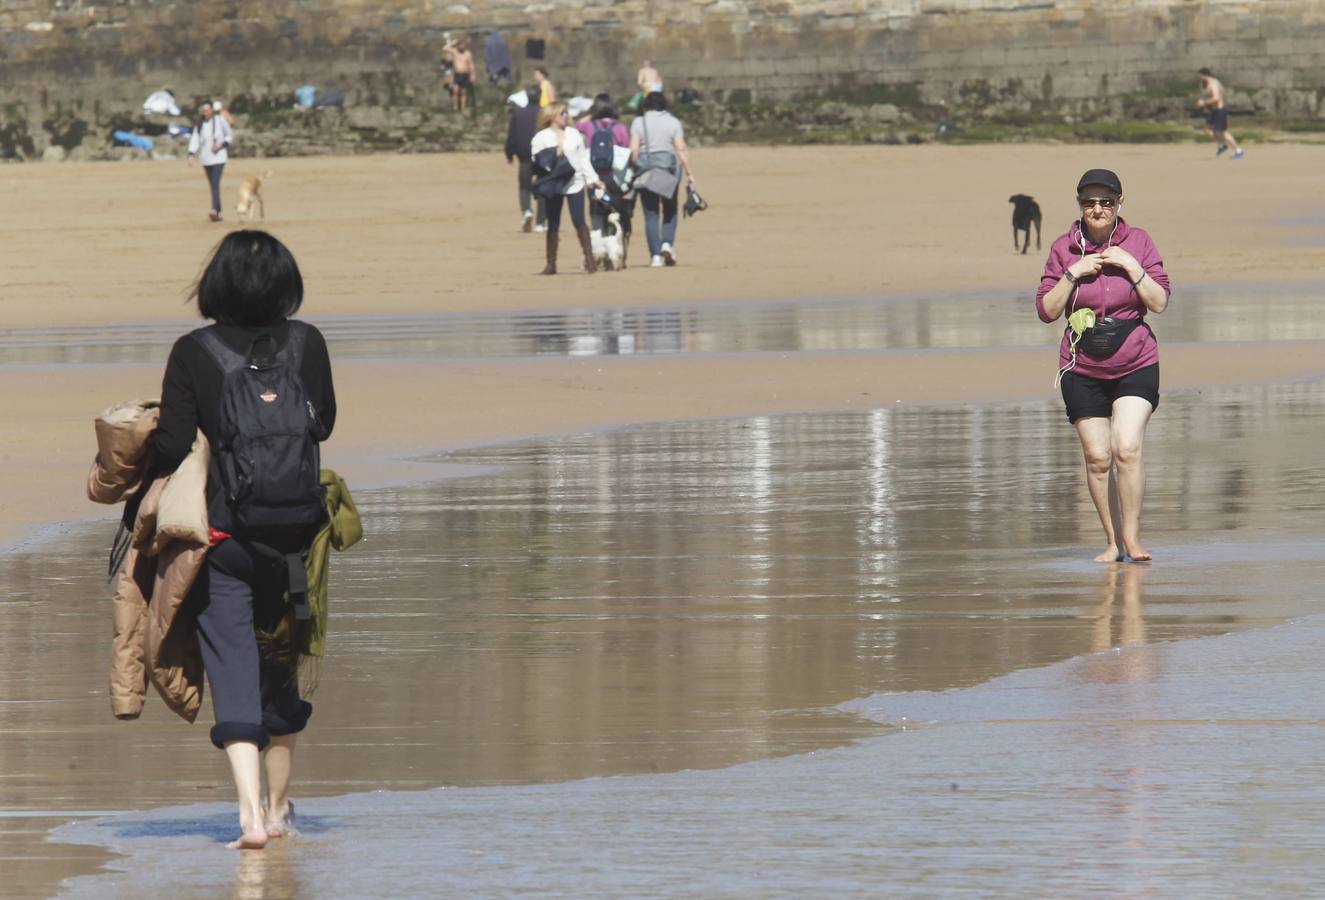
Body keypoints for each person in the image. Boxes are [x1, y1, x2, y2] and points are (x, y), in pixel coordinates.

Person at [149, 230, 336, 849]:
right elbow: (325, 424)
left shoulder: (193, 350)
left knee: (234, 666)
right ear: (287, 283)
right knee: (280, 665)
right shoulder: (307, 342)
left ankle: (250, 818)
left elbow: (172, 447)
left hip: (223, 536)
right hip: (297, 535)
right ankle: (281, 810)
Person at [1035, 169, 1171, 563]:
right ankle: (1111, 542)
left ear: (1119, 203)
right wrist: (1072, 274)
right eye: (1089, 202)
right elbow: (1046, 310)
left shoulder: (1140, 242)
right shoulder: (1064, 247)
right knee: (1098, 457)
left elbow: (1159, 302)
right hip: (1082, 367)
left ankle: (1132, 538)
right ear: (1080, 205)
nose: (1098, 209)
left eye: (1106, 202)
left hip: (1136, 361)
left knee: (1126, 448)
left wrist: (1132, 265)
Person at [529, 102, 604, 275]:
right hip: (553, 183)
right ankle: (551, 264)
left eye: (566, 113)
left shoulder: (574, 134)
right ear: (552, 116)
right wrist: (553, 153)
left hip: (575, 182)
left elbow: (583, 158)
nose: (566, 116)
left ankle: (590, 261)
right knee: (553, 223)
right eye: (562, 113)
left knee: (579, 221)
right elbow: (536, 159)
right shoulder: (541, 137)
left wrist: (594, 179)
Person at [629, 91, 696, 268]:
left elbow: (634, 151)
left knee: (651, 214)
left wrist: (633, 168)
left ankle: (655, 256)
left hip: (646, 172)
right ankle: (667, 243)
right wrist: (689, 173)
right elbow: (681, 150)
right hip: (667, 171)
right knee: (670, 209)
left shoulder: (638, 122)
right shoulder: (673, 122)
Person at [575, 93, 633, 246]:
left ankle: (598, 245)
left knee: (596, 211)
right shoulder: (620, 127)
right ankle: (613, 243)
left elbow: (577, 125)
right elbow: (626, 149)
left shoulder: (589, 126)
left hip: (594, 176)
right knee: (614, 210)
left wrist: (591, 114)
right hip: (614, 177)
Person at [505, 84, 547, 232]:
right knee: (543, 187)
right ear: (540, 96)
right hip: (543, 156)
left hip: (524, 156)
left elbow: (512, 136)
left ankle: (527, 211)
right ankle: (541, 223)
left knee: (524, 187)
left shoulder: (518, 113)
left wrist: (509, 153)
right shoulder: (544, 113)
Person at [187, 102, 233, 222]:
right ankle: (219, 213)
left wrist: (221, 145)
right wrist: (191, 154)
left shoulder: (220, 120)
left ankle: (213, 209)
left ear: (212, 110)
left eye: (208, 109)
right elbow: (195, 139)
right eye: (204, 110)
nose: (206, 112)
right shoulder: (200, 124)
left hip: (219, 158)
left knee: (215, 182)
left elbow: (229, 135)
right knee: (213, 185)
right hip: (206, 159)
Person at [1196, 68, 1243, 159]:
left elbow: (1216, 98)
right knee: (1207, 129)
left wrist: (1204, 102)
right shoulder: (1207, 84)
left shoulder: (1213, 84)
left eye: (1200, 76)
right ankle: (1222, 145)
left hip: (1220, 110)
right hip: (1213, 111)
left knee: (1223, 133)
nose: (1199, 78)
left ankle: (1238, 150)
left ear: (1204, 75)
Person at [445, 38, 476, 112]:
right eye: (460, 45)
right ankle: (455, 107)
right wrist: (452, 43)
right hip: (457, 74)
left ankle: (463, 108)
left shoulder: (467, 53)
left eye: (463, 45)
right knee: (456, 91)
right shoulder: (454, 51)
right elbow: (445, 48)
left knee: (464, 92)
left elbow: (471, 64)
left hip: (465, 74)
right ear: (458, 46)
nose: (462, 47)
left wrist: (473, 75)